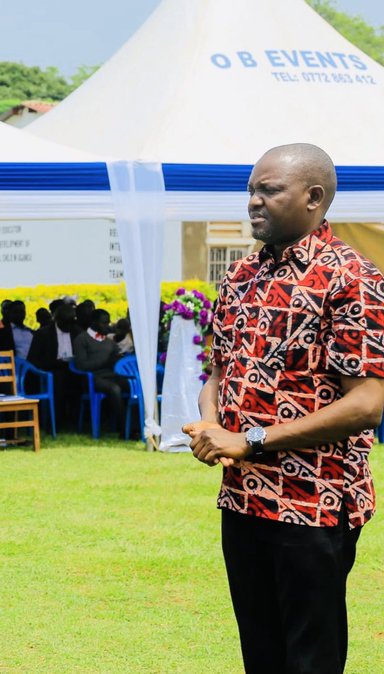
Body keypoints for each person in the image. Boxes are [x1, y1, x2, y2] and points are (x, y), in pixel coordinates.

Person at [185, 143, 384, 674]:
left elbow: (366, 403)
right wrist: (211, 421)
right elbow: (221, 370)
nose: (253, 201)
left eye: (268, 190)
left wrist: (248, 439)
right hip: (244, 500)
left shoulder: (352, 279)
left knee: (309, 661)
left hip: (313, 504)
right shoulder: (241, 277)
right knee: (261, 655)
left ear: (313, 197)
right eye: (251, 190)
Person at [71, 308, 127, 432]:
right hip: (91, 378)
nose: (108, 326)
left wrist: (119, 359)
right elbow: (81, 365)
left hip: (111, 375)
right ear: (94, 323)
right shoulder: (81, 339)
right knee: (114, 389)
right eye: (105, 323)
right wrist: (105, 362)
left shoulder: (109, 342)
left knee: (134, 385)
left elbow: (116, 358)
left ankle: (135, 426)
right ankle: (123, 429)